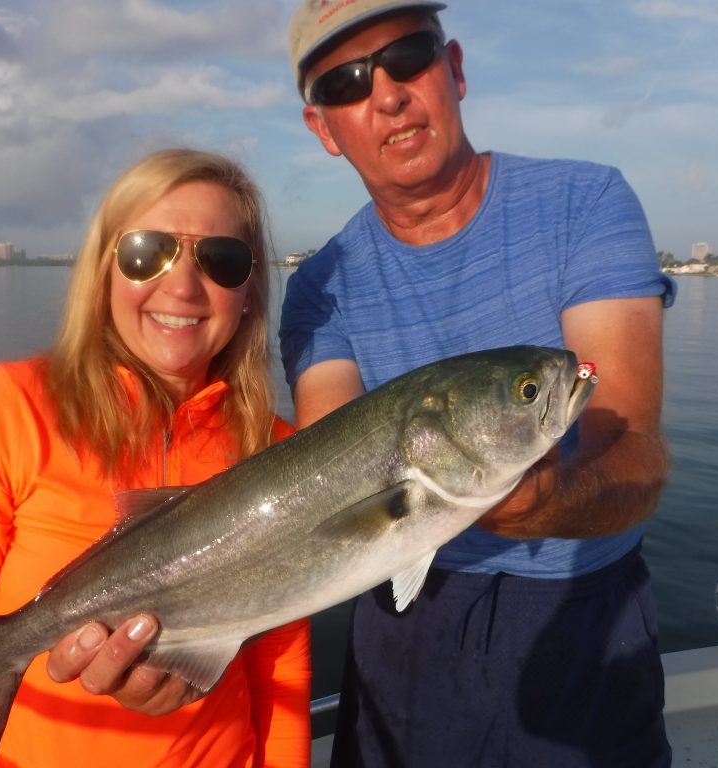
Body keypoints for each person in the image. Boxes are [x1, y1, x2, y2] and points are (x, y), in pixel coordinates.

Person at [281, 2, 675, 766]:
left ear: (453, 68)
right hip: (405, 619)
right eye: (346, 81)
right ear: (323, 128)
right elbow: (330, 481)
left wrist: (550, 502)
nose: (386, 92)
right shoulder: (319, 287)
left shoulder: (584, 204)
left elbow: (633, 446)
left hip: (581, 614)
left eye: (406, 55)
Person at [0, 148, 311, 767]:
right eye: (149, 252)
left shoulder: (277, 449)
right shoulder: (12, 410)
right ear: (105, 270)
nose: (184, 285)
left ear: (249, 293)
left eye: (221, 260)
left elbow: (281, 666)